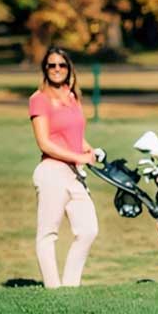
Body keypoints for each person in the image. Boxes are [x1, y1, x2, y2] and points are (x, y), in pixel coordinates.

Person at [28, 46, 101, 288]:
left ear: (69, 69)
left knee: (88, 229)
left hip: (74, 173)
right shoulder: (38, 100)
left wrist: (88, 149)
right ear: (45, 69)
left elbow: (74, 134)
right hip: (51, 172)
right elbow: (45, 142)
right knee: (48, 233)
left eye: (62, 65)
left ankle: (70, 286)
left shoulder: (72, 97)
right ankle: (53, 288)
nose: (57, 69)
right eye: (52, 65)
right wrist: (77, 157)